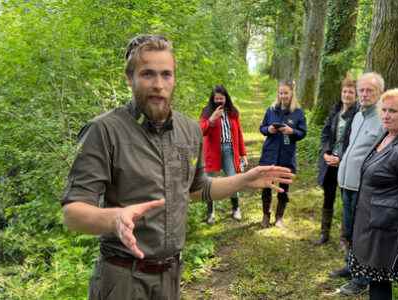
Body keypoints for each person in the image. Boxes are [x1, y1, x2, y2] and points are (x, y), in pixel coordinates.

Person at [60, 34, 293, 300]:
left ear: (174, 79)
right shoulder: (104, 131)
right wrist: (113, 219)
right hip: (122, 278)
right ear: (130, 78)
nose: (158, 84)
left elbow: (196, 189)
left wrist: (243, 179)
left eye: (166, 74)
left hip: (170, 277)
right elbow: (73, 212)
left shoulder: (189, 130)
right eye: (147, 74)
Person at [348, 88, 398, 300]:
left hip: (386, 231)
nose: (386, 115)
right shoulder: (387, 135)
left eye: (393, 111)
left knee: (381, 285)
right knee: (376, 283)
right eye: (383, 110)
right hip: (370, 223)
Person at [331, 72, 385, 295]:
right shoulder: (359, 116)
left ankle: (361, 279)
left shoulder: (383, 118)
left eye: (369, 90)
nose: (364, 94)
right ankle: (351, 266)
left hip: (364, 187)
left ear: (379, 93)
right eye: (361, 90)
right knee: (349, 230)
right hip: (346, 183)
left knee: (361, 234)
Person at [314, 74, 358, 245]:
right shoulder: (335, 111)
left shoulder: (358, 115)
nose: (347, 95)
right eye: (345, 91)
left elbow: (355, 142)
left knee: (346, 200)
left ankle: (345, 238)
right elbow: (325, 133)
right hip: (329, 162)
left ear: (355, 96)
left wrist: (342, 159)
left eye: (351, 92)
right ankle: (324, 233)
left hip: (346, 164)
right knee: (328, 196)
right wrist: (325, 152)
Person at [258, 80, 307, 228]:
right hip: (270, 154)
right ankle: (266, 215)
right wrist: (269, 130)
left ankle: (279, 217)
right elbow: (262, 128)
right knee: (267, 186)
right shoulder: (271, 110)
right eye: (281, 93)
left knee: (284, 188)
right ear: (278, 94)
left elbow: (303, 132)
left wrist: (292, 131)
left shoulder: (298, 112)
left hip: (287, 156)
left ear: (291, 93)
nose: (283, 96)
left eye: (286, 93)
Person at [200, 85, 248, 224]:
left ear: (226, 98)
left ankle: (236, 208)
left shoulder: (233, 112)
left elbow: (238, 133)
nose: (219, 101)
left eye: (222, 98)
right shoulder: (207, 111)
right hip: (212, 151)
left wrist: (243, 153)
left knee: (233, 179)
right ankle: (210, 213)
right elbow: (201, 131)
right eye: (216, 99)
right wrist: (211, 120)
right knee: (210, 183)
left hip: (229, 150)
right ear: (213, 99)